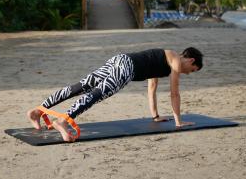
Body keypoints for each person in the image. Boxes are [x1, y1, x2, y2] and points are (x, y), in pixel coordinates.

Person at [27, 47, 203, 142]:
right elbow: (175, 93)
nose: (188, 73)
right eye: (192, 70)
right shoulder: (177, 62)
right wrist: (179, 122)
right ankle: (63, 121)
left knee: (80, 86)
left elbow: (152, 87)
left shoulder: (165, 59)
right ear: (191, 60)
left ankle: (37, 111)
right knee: (99, 93)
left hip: (119, 59)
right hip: (127, 68)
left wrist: (155, 116)